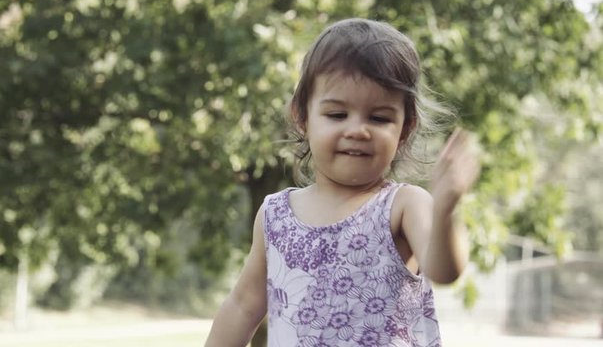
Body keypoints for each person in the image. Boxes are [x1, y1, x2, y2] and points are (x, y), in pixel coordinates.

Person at [205, 18, 480, 347]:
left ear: (404, 129)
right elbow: (242, 306)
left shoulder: (404, 206)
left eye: (379, 118)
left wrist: (447, 208)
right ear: (302, 118)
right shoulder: (275, 215)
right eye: (337, 115)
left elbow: (444, 269)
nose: (358, 130)